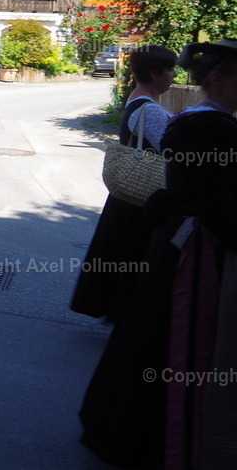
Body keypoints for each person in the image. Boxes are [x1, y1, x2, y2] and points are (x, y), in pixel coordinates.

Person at [79, 38, 237, 468]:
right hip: (195, 250)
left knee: (148, 329)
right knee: (176, 340)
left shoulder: (200, 121)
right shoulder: (206, 126)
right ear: (219, 79)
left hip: (171, 229)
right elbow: (210, 199)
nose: (170, 77)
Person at [70, 45, 176, 323]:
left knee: (124, 257)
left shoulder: (137, 99)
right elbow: (172, 150)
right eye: (170, 69)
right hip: (141, 198)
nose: (174, 75)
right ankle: (126, 316)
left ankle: (118, 310)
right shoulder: (149, 110)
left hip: (129, 198)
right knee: (135, 257)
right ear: (155, 73)